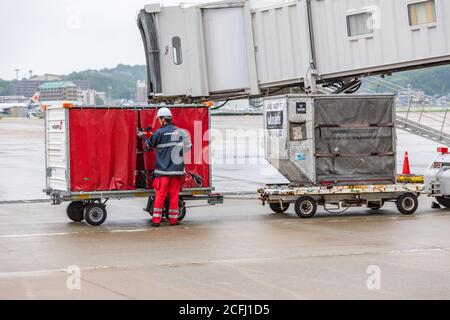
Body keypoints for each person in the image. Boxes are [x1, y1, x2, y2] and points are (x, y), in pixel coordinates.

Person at [138, 107, 192, 227]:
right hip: (177, 171)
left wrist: (142, 136)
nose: (158, 121)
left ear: (162, 119)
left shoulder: (159, 133)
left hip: (163, 172)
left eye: (159, 119)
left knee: (160, 195)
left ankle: (156, 220)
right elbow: (189, 146)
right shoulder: (180, 132)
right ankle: (173, 220)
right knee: (174, 196)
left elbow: (148, 145)